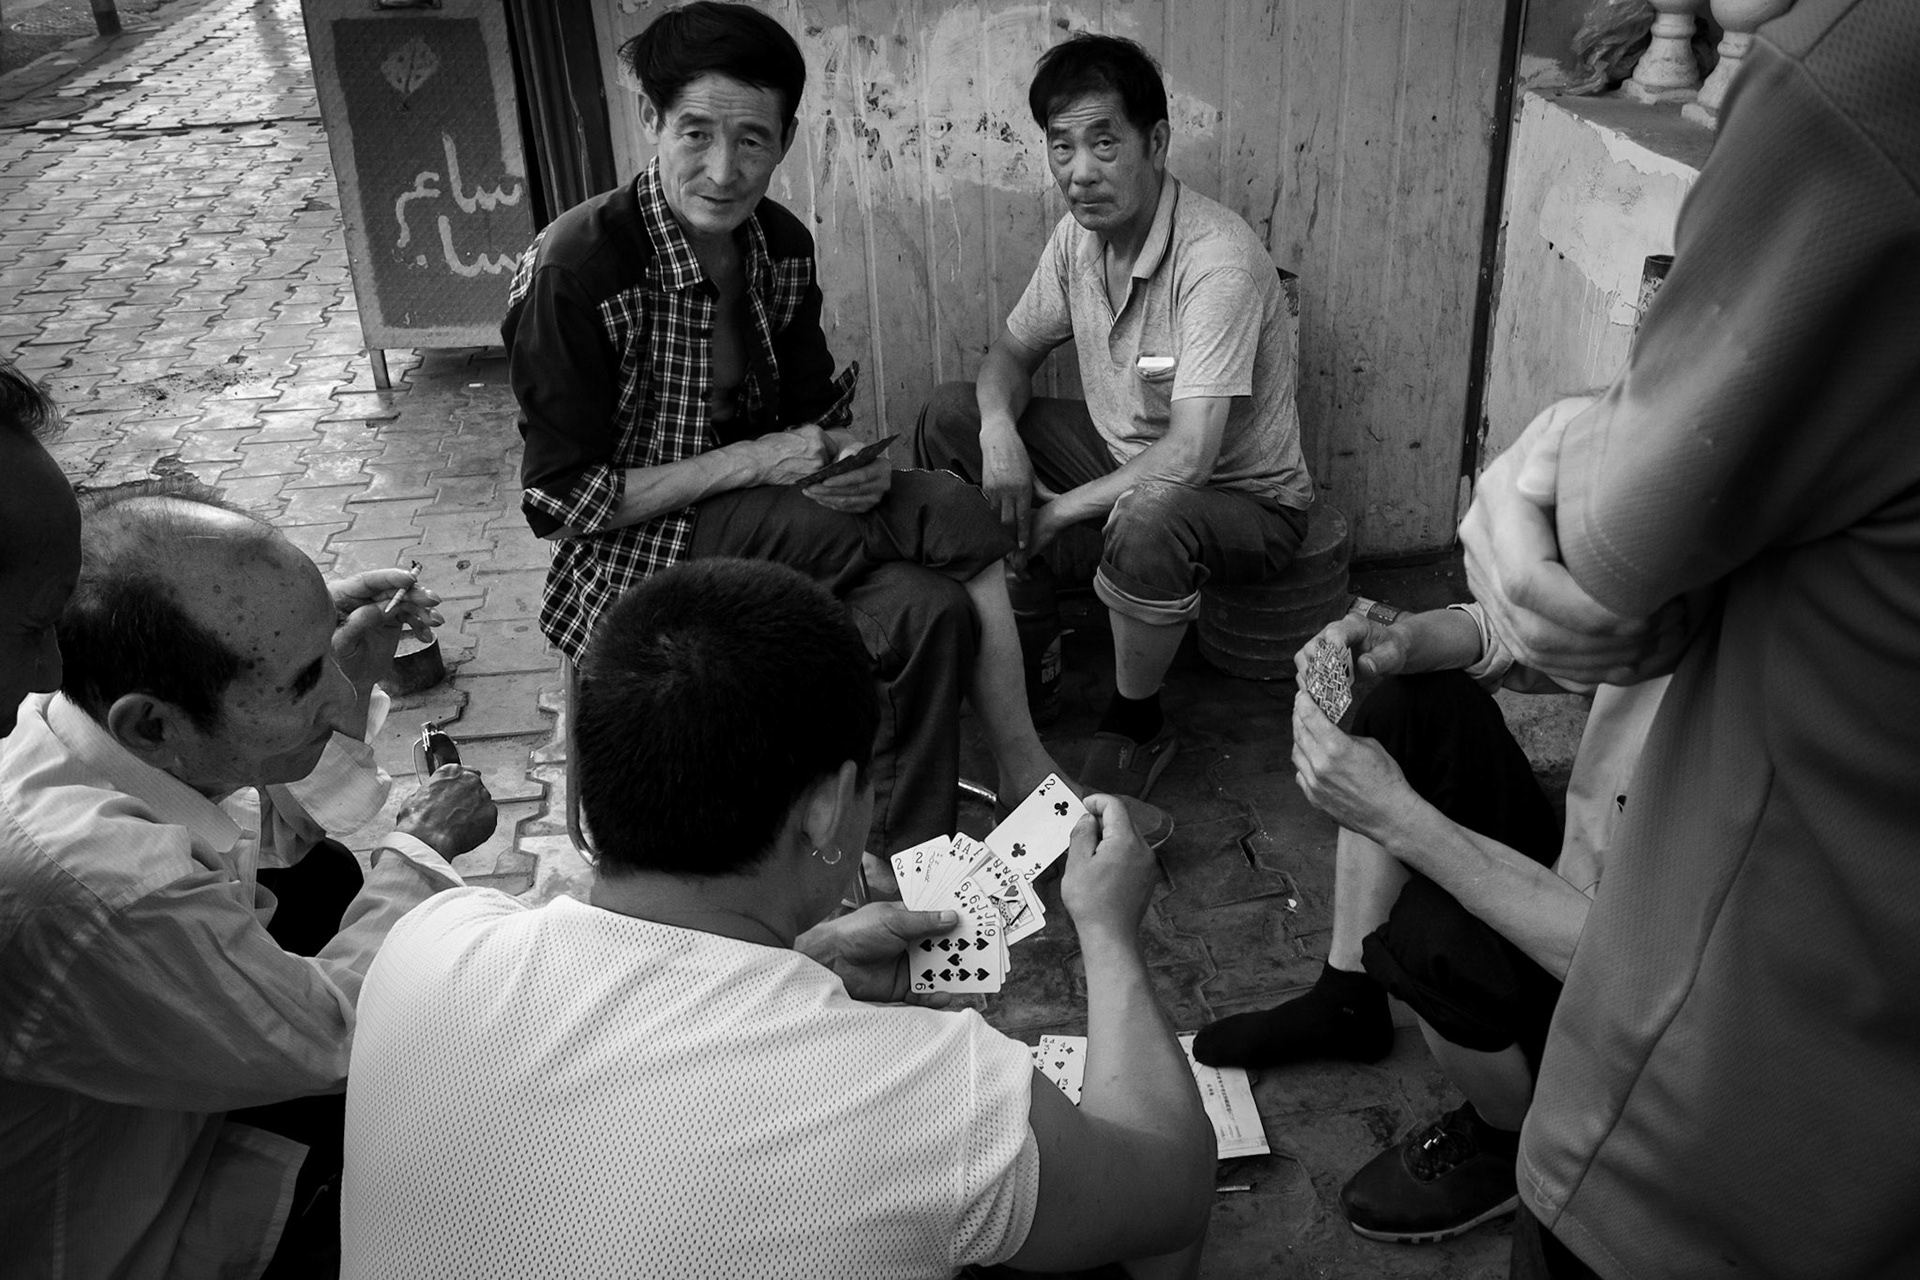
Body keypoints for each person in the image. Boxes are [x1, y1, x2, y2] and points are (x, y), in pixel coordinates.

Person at [341, 558, 1215, 1279]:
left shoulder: (426, 945)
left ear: (585, 779)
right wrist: (1107, 931)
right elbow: (1172, 1188)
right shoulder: (935, 1095)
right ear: (828, 808)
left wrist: (807, 959)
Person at [1454, 1, 1920, 1275]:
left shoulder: (1864, 82)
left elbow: (1599, 570)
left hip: (1724, 1126)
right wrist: (1439, 636)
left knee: (1426, 888)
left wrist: (1386, 810)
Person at [503, 3, 1164, 857]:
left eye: (752, 140)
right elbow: (560, 503)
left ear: (783, 141)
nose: (723, 170)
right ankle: (1025, 772)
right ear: (650, 120)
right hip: (637, 556)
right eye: (696, 134)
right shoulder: (576, 270)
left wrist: (852, 462)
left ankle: (902, 863)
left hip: (769, 525)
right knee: (955, 515)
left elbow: (814, 422)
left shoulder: (778, 245)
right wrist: (757, 459)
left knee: (929, 609)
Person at [0, 486, 499, 1279]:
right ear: (152, 725)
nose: (347, 699)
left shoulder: (68, 701)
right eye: (306, 680)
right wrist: (423, 848)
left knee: (321, 877)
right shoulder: (109, 887)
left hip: (165, 1102)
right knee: (440, 1071)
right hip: (132, 1232)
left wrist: (307, 647)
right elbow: (333, 1037)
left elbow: (244, 802)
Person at [1191, 592, 1666, 1247]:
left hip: (1638, 1007)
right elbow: (1527, 630)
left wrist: (1397, 816)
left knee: (1432, 940)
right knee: (1413, 703)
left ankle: (1510, 1138)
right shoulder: (1707, 584)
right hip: (1578, 875)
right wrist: (1400, 643)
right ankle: (1348, 1000)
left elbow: (1644, 974)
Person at [913, 33, 1314, 802]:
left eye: (1104, 143)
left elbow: (1191, 456)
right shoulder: (1078, 238)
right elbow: (1010, 354)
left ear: (1156, 142)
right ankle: (1024, 608)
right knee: (952, 414)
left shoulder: (1216, 260)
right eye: (1061, 146)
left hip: (1242, 502)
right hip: (1117, 455)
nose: (1080, 171)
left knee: (1150, 512)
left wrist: (1060, 511)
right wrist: (998, 432)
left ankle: (1138, 719)